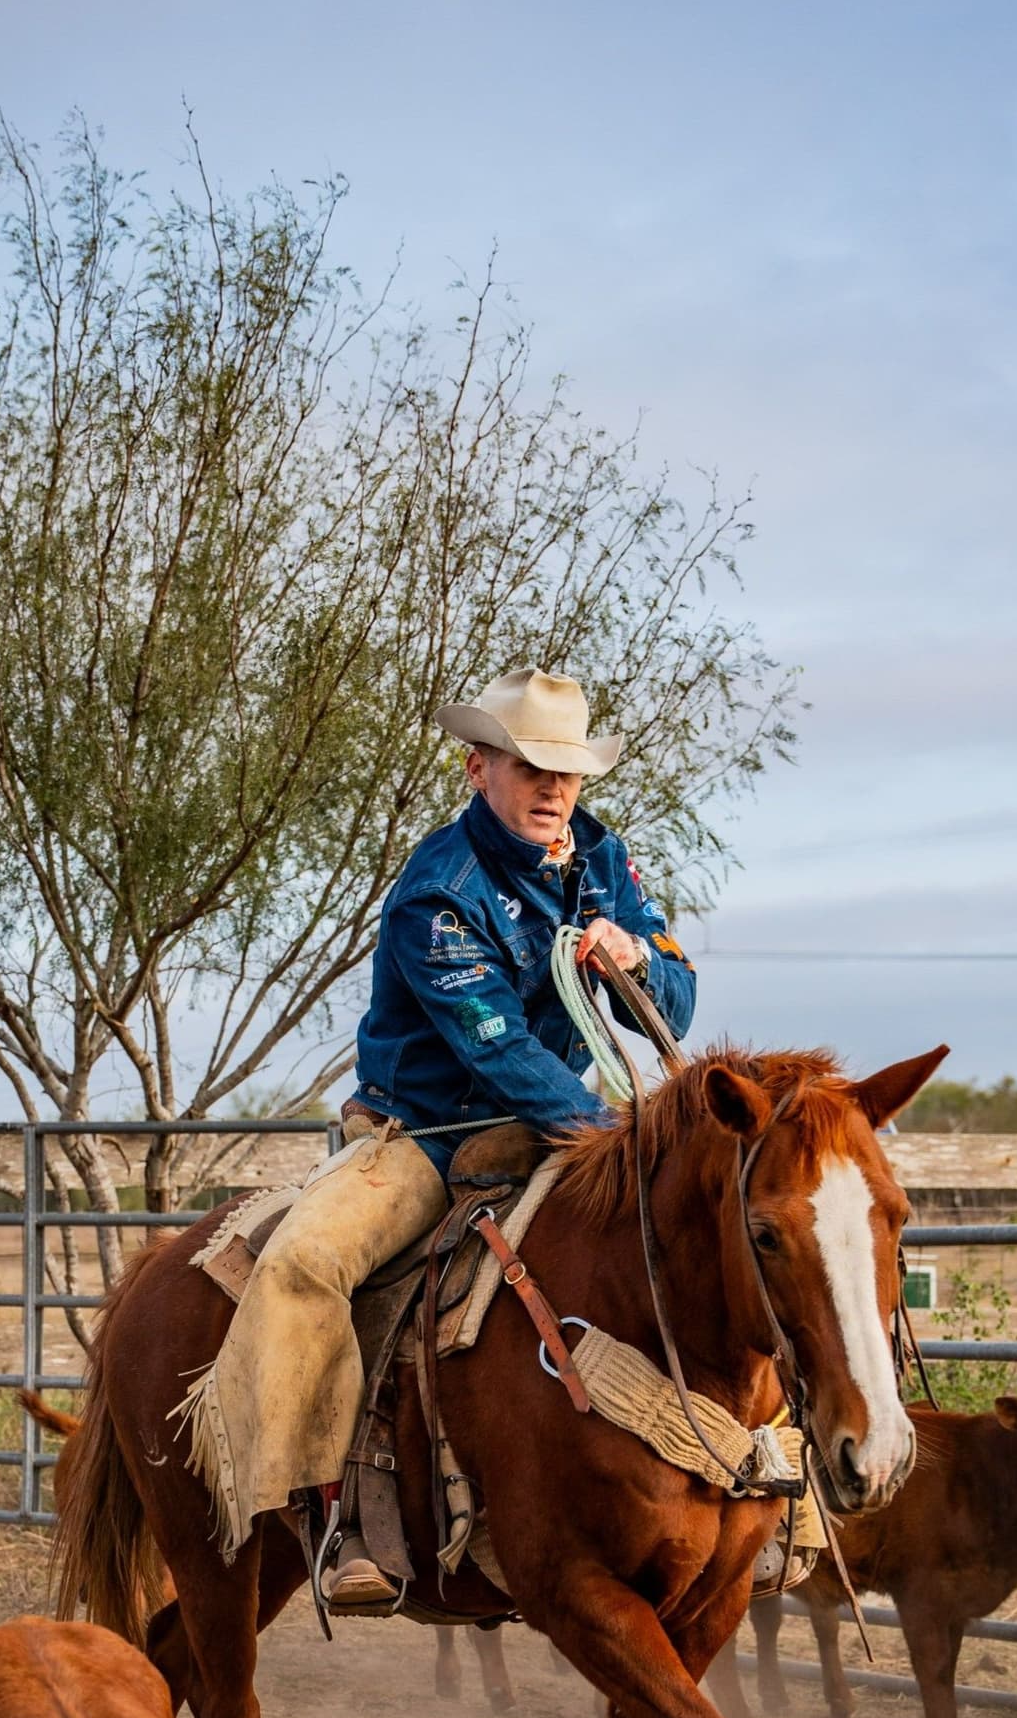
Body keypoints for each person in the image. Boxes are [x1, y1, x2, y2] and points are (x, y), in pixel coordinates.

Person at [205, 669, 697, 1606]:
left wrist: (636, 955)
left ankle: (742, 1482)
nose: (553, 789)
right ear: (479, 767)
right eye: (528, 766)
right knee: (308, 1263)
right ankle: (334, 1508)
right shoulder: (438, 892)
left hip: (558, 1129)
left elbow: (676, 998)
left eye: (567, 770)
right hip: (428, 1137)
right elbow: (499, 1049)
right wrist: (612, 1144)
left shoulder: (602, 860)